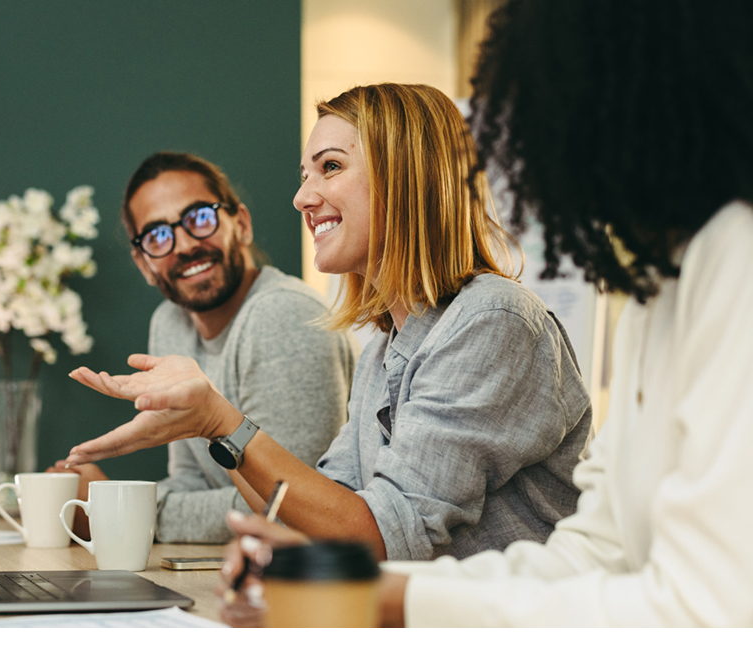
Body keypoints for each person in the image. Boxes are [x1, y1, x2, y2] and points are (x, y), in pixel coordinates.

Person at [223, 0, 753, 628]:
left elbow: (710, 611)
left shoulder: (731, 256)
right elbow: (592, 552)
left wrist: (220, 424)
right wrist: (364, 587)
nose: (525, 147)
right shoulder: (652, 289)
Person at [64, 83, 592, 562]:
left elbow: (382, 536)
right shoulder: (386, 348)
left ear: (403, 174)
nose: (301, 198)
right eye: (304, 176)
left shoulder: (492, 320)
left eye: (331, 167)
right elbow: (319, 511)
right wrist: (211, 430)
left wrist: (219, 421)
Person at [51, 152, 356, 543]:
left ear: (241, 224)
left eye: (198, 217)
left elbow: (289, 511)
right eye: (158, 236)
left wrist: (116, 510)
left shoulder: (283, 315)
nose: (183, 245)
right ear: (144, 264)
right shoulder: (170, 323)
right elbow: (191, 482)